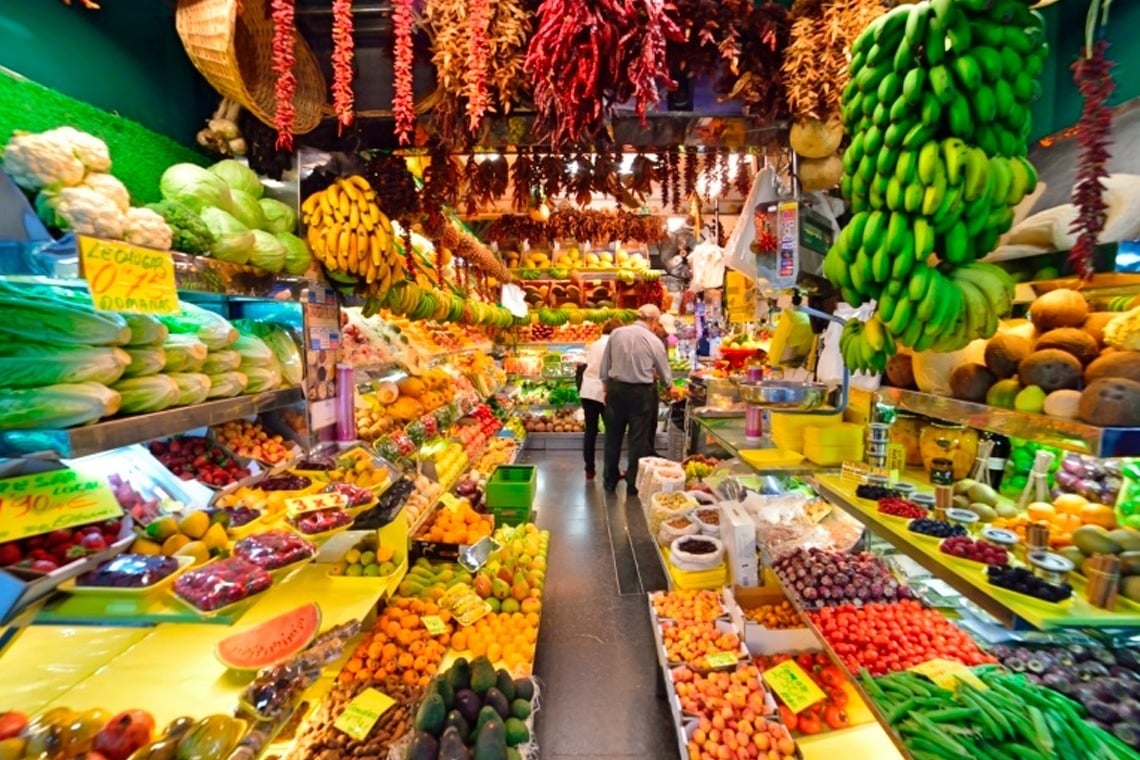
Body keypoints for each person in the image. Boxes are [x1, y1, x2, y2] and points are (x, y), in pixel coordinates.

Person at [600, 304, 675, 495]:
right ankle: (633, 482)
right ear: (653, 320)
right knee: (637, 439)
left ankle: (609, 480)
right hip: (641, 394)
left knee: (612, 436)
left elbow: (605, 364)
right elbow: (664, 370)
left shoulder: (616, 334)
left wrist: (606, 387)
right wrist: (669, 386)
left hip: (616, 390)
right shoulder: (654, 340)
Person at [577, 319, 622, 480]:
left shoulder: (594, 344)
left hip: (588, 391)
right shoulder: (614, 344)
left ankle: (589, 469)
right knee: (611, 433)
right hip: (605, 392)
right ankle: (611, 472)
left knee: (590, 431)